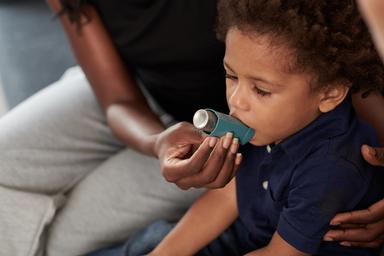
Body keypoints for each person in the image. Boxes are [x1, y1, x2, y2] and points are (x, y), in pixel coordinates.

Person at [0, 0, 382, 255]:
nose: (237, 102)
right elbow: (224, 197)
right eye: (229, 76)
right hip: (146, 107)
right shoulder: (257, 123)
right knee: (152, 241)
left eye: (261, 90)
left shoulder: (330, 166)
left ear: (331, 94)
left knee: (72, 243)